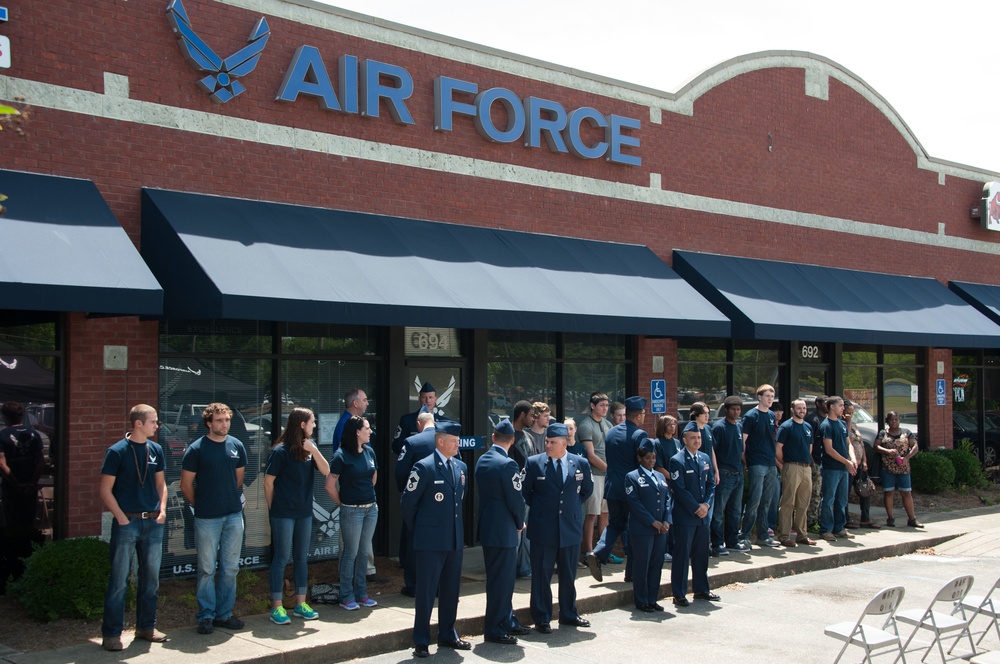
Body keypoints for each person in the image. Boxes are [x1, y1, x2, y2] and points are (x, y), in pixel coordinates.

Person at [99, 404, 168, 651]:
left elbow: (161, 484)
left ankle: (146, 626)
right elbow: (105, 489)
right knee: (119, 580)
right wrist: (120, 517)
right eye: (153, 422)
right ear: (138, 423)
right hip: (127, 522)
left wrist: (162, 510)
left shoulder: (156, 449)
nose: (157, 426)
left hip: (152, 521)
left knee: (150, 579)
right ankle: (112, 633)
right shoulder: (117, 451)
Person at [401, 420, 470, 657]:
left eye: (458, 441)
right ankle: (421, 639)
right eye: (453, 441)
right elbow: (408, 504)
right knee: (426, 592)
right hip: (430, 541)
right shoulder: (424, 467)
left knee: (451, 591)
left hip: (453, 539)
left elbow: (459, 501)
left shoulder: (461, 467)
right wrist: (420, 530)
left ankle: (448, 634)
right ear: (440, 442)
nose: (457, 445)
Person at [181, 403, 248, 635]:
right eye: (219, 420)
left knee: (230, 568)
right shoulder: (196, 449)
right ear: (209, 423)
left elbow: (238, 479)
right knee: (207, 568)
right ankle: (206, 615)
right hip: (207, 519)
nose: (224, 424)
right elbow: (185, 485)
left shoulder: (236, 446)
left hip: (232, 516)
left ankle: (224, 614)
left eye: (227, 420)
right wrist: (201, 505)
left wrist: (226, 499)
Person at [522, 422, 594, 633]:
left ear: (564, 444)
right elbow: (526, 493)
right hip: (543, 529)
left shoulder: (579, 463)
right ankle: (542, 617)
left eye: (553, 442)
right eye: (547, 441)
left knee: (568, 575)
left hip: (569, 528)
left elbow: (586, 490)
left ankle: (569, 614)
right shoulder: (534, 463)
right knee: (541, 576)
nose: (548, 445)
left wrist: (570, 508)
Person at [263, 407, 330, 625]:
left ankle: (301, 604)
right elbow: (268, 482)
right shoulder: (280, 451)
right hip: (283, 513)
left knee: (302, 558)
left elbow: (327, 471)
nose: (315, 426)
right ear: (302, 424)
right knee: (282, 557)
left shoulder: (310, 449)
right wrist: (274, 509)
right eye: (312, 422)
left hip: (304, 512)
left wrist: (314, 450)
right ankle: (277, 607)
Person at [475, 419, 529, 644]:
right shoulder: (508, 464)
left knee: (498, 579)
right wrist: (520, 522)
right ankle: (495, 628)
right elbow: (516, 500)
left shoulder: (482, 460)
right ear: (513, 440)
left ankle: (506, 620)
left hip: (489, 528)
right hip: (505, 530)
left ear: (493, 437)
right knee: (502, 581)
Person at [585, 396, 646, 583]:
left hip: (612, 486)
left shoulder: (611, 432)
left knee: (616, 524)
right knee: (636, 528)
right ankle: (632, 572)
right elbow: (642, 463)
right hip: (632, 488)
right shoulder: (639, 435)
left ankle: (599, 553)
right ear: (639, 415)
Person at [326, 415, 379, 610]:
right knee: (351, 552)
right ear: (357, 432)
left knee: (364, 552)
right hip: (351, 511)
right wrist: (344, 502)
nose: (370, 431)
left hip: (370, 509)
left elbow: (373, 476)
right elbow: (330, 485)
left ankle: (361, 593)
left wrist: (367, 497)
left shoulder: (369, 452)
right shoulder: (341, 456)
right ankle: (346, 595)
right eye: (367, 428)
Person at [668, 428, 718, 607]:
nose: (697, 441)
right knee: (682, 555)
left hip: (703, 516)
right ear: (685, 440)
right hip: (686, 516)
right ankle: (679, 593)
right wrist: (696, 507)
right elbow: (679, 489)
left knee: (701, 554)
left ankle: (701, 589)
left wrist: (706, 505)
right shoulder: (677, 460)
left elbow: (711, 484)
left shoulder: (704, 458)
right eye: (693, 438)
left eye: (698, 438)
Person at [625, 439, 671, 612]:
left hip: (661, 529)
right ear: (640, 458)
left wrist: (667, 520)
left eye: (653, 458)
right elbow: (635, 504)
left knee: (656, 564)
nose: (651, 461)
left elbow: (667, 499)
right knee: (642, 564)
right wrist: (652, 521)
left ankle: (652, 597)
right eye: (647, 458)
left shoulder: (659, 476)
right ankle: (641, 599)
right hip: (643, 528)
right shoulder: (632, 477)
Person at [394, 411, 436, 597]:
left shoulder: (413, 442)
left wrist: (405, 491)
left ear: (419, 425)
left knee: (413, 543)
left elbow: (401, 470)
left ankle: (413, 585)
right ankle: (436, 584)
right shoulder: (447, 440)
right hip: (441, 502)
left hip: (418, 500)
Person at [741, 385, 780, 548]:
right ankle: (744, 536)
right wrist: (746, 462)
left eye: (772, 396)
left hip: (771, 464)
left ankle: (763, 535)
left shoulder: (771, 415)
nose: (770, 399)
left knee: (767, 501)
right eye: (767, 396)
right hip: (756, 463)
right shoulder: (751, 416)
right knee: (754, 501)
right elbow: (743, 442)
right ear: (759, 397)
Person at [775, 399, 817, 547]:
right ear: (792, 410)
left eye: (804, 408)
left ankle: (802, 535)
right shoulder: (786, 427)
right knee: (788, 501)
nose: (802, 411)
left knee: (803, 502)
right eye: (799, 408)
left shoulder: (808, 427)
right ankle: (784, 535)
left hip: (806, 467)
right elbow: (778, 449)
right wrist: (785, 463)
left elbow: (809, 448)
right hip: (791, 466)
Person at [710, 396, 747, 556]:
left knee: (735, 511)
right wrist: (716, 471)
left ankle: (732, 541)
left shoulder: (739, 426)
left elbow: (741, 450)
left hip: (738, 473)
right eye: (733, 409)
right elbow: (713, 452)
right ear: (726, 410)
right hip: (724, 474)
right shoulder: (719, 427)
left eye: (738, 409)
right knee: (718, 512)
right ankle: (717, 543)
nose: (736, 412)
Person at [578, 392, 611, 563]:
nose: (605, 408)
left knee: (605, 513)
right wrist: (610, 469)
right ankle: (589, 551)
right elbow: (590, 455)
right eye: (601, 405)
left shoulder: (608, 424)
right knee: (592, 514)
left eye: (606, 405)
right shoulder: (586, 425)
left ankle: (603, 550)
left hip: (608, 476)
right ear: (592, 405)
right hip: (595, 476)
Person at [0, 401, 44, 527]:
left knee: (12, 522)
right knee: (29, 520)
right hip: (30, 485)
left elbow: (2, 464)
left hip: (11, 487)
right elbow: (41, 461)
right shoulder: (34, 434)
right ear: (22, 416)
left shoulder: (3, 435)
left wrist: (17, 485)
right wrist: (32, 483)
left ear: (5, 417)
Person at [818, 396, 857, 541]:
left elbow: (849, 444)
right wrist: (846, 461)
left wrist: (852, 458)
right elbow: (829, 449)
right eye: (840, 405)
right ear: (832, 407)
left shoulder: (841, 424)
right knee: (828, 499)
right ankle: (826, 529)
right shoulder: (826, 425)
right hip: (831, 468)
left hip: (843, 469)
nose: (843, 408)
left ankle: (839, 528)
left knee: (842, 500)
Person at [875, 411, 923, 528]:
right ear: (887, 421)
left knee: (906, 492)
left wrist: (907, 457)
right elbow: (876, 446)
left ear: (899, 420)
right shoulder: (883, 433)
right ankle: (890, 518)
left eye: (896, 419)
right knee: (889, 492)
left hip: (903, 468)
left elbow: (915, 446)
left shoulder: (907, 433)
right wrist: (887, 451)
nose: (894, 421)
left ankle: (912, 518)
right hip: (887, 467)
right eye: (891, 419)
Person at [844, 400, 880, 529]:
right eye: (848, 412)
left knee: (865, 490)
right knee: (845, 493)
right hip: (848, 464)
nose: (851, 415)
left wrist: (864, 460)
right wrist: (847, 422)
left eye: (852, 413)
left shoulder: (855, 425)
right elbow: (845, 439)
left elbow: (861, 443)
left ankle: (865, 519)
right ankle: (845, 519)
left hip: (859, 464)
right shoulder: (841, 424)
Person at [510, 400, 536, 578]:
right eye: (531, 415)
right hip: (515, 493)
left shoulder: (529, 437)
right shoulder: (508, 436)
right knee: (516, 534)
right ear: (522, 415)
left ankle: (525, 567)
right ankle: (512, 570)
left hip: (530, 492)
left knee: (527, 534)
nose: (533, 419)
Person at [651, 414, 682, 562]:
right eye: (670, 424)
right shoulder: (657, 443)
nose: (673, 427)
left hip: (678, 485)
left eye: (675, 424)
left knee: (676, 518)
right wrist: (673, 478)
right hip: (666, 483)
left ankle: (675, 547)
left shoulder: (677, 443)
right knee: (666, 516)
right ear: (663, 426)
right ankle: (664, 551)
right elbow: (658, 467)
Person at [391, 381, 436, 455]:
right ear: (419, 399)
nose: (428, 401)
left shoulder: (443, 422)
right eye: (424, 397)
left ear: (435, 399)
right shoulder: (407, 420)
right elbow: (397, 445)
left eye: (430, 397)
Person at [807, 396, 829, 530]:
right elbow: (808, 443)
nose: (827, 405)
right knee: (814, 493)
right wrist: (811, 461)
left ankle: (821, 519)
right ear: (817, 404)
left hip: (827, 462)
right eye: (825, 402)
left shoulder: (828, 420)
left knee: (823, 493)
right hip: (815, 461)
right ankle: (811, 522)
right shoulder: (813, 420)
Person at [331, 388, 369, 454]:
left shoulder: (349, 421)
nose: (367, 403)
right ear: (355, 403)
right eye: (364, 400)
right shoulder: (346, 424)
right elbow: (348, 453)